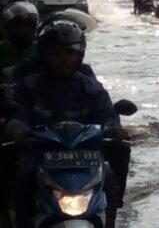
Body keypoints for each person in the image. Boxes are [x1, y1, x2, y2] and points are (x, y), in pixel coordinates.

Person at [6, 20, 130, 228]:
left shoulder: (91, 88)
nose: (63, 59)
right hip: (41, 157)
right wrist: (16, 129)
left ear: (79, 55)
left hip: (85, 159)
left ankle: (110, 219)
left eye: (69, 52)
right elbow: (18, 115)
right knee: (24, 178)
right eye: (56, 53)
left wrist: (116, 129)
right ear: (45, 54)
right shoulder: (29, 86)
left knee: (108, 175)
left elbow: (107, 115)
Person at [0, 1, 39, 81]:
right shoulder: (1, 51)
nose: (25, 31)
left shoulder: (42, 49)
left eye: (30, 26)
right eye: (19, 26)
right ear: (6, 28)